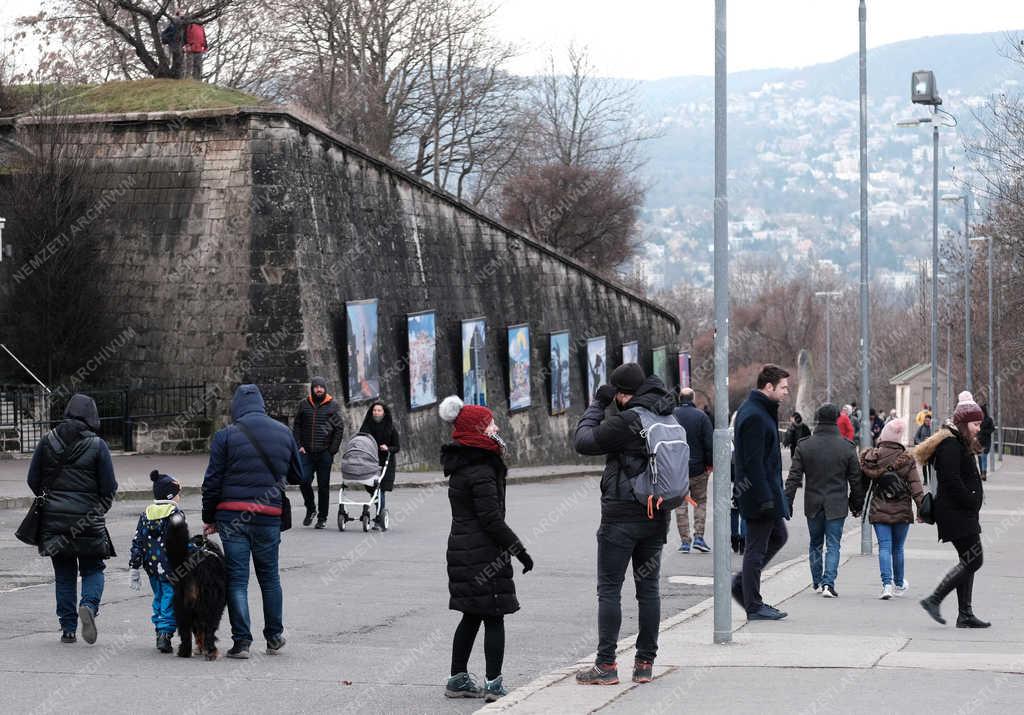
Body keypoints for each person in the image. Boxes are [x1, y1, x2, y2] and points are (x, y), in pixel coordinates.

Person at [573, 363, 674, 686]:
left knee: (609, 590)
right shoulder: (667, 414)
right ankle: (645, 664)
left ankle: (606, 666)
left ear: (621, 394)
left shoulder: (629, 419)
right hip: (656, 516)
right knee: (649, 590)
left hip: (621, 517)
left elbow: (584, 441)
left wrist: (597, 405)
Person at [439, 396, 531, 702]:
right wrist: (519, 551)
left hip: (463, 551)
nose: (496, 426)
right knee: (493, 615)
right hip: (483, 553)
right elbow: (491, 520)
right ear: (478, 430)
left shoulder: (465, 463)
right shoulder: (481, 469)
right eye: (490, 423)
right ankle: (493, 684)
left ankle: (457, 678)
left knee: (471, 614)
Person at [202, 384, 305, 658]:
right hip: (269, 516)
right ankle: (274, 636)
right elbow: (299, 475)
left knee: (237, 580)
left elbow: (212, 481)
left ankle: (242, 643)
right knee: (269, 577)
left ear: (237, 406)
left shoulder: (226, 436)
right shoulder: (284, 433)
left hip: (232, 517)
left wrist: (208, 516)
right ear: (261, 404)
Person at [26, 394, 117, 645]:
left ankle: (67, 628)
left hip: (54, 521)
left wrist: (51, 501)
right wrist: (99, 509)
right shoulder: (98, 446)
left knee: (64, 574)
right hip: (88, 519)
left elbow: (33, 479)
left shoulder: (47, 441)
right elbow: (109, 486)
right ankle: (88, 605)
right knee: (93, 568)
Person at [916, 391, 989, 628]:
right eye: (976, 424)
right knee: (974, 560)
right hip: (955, 512)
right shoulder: (950, 444)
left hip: (961, 512)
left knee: (968, 559)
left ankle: (965, 614)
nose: (979, 428)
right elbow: (951, 479)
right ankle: (934, 599)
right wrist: (970, 499)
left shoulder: (958, 441)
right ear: (964, 423)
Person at [784, 404, 862, 598]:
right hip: (837, 503)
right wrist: (856, 504)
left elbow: (794, 478)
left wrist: (788, 502)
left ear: (818, 418)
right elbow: (856, 480)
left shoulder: (805, 445)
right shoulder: (847, 447)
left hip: (813, 502)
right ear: (837, 419)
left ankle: (817, 581)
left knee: (815, 543)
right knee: (834, 544)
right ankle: (829, 583)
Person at [732, 364, 791, 621]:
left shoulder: (761, 411)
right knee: (756, 549)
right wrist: (765, 498)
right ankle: (753, 604)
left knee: (778, 536)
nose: (787, 392)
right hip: (758, 495)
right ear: (769, 387)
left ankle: (741, 586)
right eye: (784, 387)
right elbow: (753, 463)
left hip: (765, 492)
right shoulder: (755, 415)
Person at [859, 419, 925, 599]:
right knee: (898, 548)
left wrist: (856, 505)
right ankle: (899, 583)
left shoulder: (872, 457)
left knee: (884, 547)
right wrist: (922, 509)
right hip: (902, 509)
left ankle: (886, 585)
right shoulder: (907, 459)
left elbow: (862, 484)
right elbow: (915, 486)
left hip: (879, 508)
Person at [129, 471, 185, 653]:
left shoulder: (146, 514)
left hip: (151, 567)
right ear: (171, 496)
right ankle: (164, 633)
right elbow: (181, 540)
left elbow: (137, 540)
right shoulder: (175, 514)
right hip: (172, 568)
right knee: (170, 598)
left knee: (159, 596)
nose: (179, 497)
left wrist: (134, 566)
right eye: (178, 494)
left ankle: (159, 629)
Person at [292, 376, 344, 529]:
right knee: (303, 480)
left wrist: (332, 450)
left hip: (324, 453)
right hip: (306, 452)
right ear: (312, 389)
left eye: (321, 387)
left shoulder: (332, 405)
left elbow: (339, 428)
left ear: (325, 388)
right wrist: (299, 445)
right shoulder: (303, 404)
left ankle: (322, 518)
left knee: (323, 486)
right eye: (316, 387)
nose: (319, 389)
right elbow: (297, 426)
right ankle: (311, 509)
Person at [672, 387, 713, 553]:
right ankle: (699, 537)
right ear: (693, 398)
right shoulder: (701, 417)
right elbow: (709, 444)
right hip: (698, 468)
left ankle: (684, 541)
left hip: (677, 469)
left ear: (680, 398)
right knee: (700, 502)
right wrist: (710, 464)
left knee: (680, 504)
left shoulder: (672, 416)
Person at [359, 401, 401, 528]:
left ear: (384, 413)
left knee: (380, 490)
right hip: (370, 460)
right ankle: (378, 511)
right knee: (373, 490)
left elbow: (397, 447)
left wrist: (387, 448)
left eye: (379, 410)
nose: (376, 413)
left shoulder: (391, 427)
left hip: (385, 462)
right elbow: (360, 439)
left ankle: (379, 517)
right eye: (374, 410)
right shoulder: (366, 425)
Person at [915, 412, 933, 485]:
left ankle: (931, 480)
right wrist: (920, 442)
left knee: (930, 466)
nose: (927, 422)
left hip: (931, 448)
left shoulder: (932, 427)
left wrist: (930, 439)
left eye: (928, 421)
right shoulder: (921, 427)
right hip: (924, 448)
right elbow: (916, 437)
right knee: (924, 465)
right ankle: (925, 480)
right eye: (926, 421)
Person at [978, 404, 995, 481]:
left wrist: (984, 431)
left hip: (986, 441)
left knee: (983, 456)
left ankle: (984, 473)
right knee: (980, 458)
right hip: (978, 442)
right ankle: (982, 472)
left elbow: (992, 429)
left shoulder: (989, 420)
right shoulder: (977, 419)